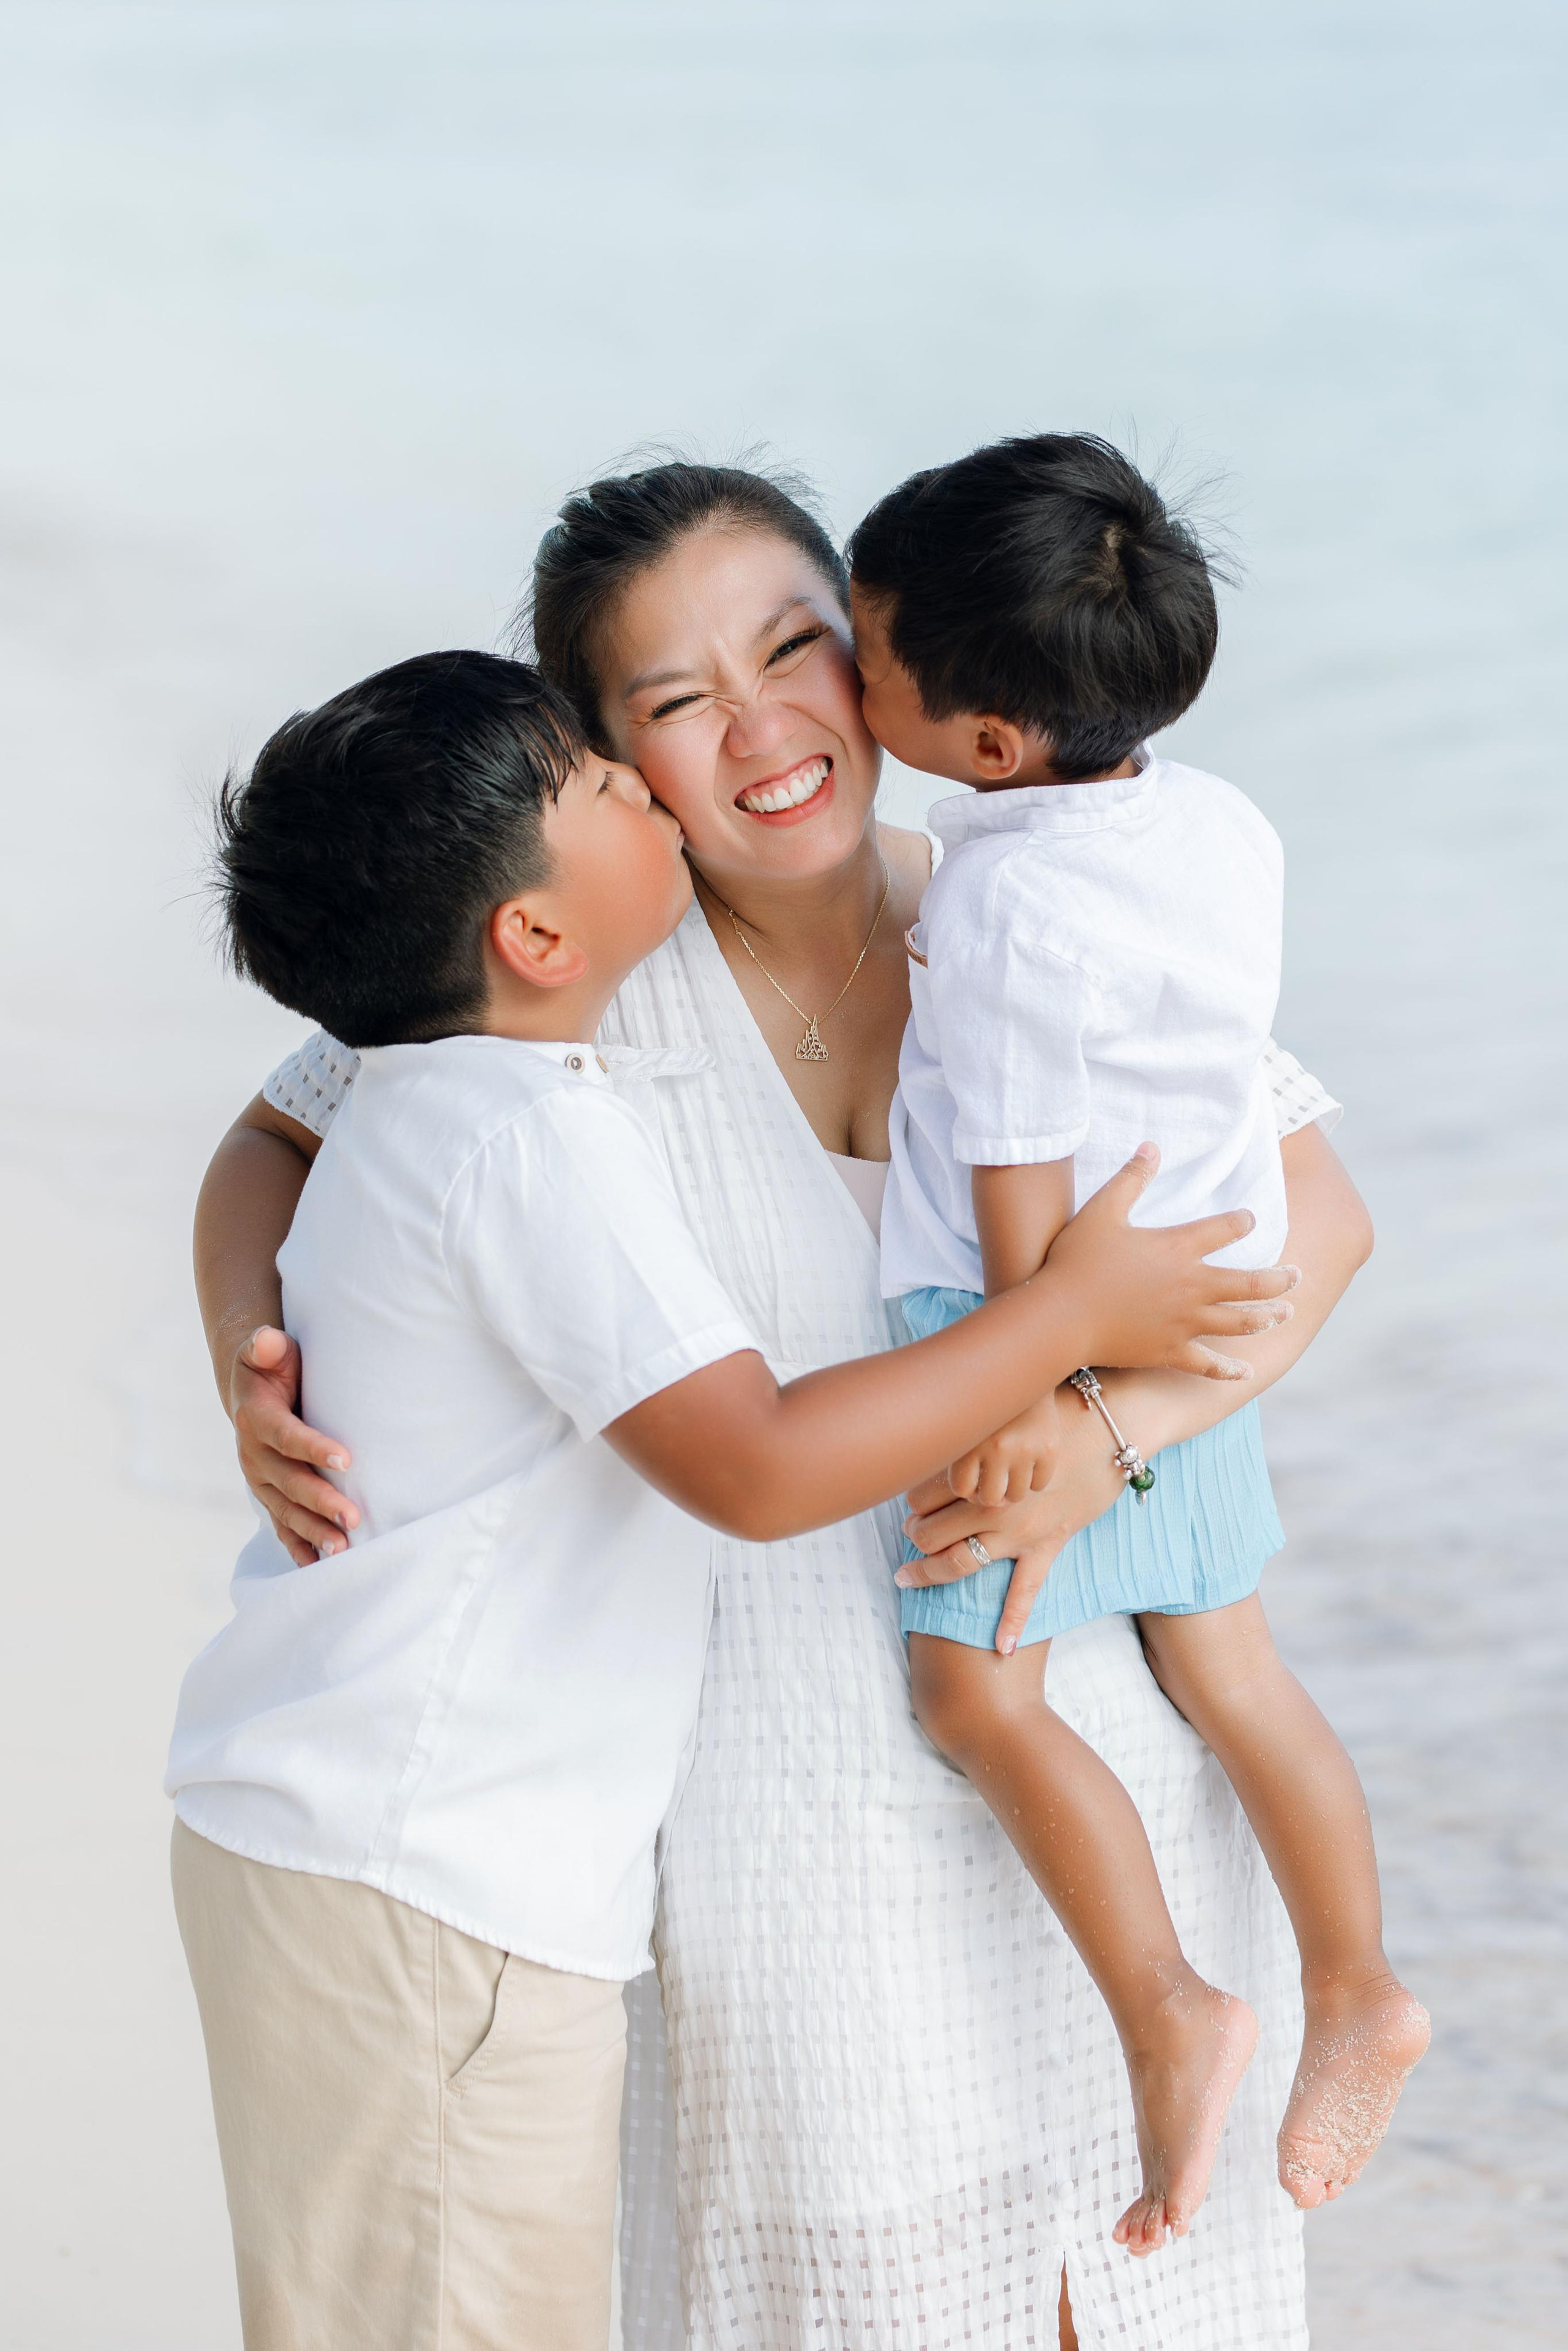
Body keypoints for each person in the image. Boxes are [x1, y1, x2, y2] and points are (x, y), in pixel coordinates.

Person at [193, 461, 1375, 2351]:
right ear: (599, 759)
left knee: (1151, 2294)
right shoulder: (563, 997)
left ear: (885, 658)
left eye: (791, 650)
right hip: (780, 1814)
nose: (755, 729)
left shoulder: (1040, 892)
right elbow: (275, 1141)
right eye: (669, 703)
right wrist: (251, 1355)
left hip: (1102, 1753)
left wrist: (1114, 1430)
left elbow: (1310, 1216)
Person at [847, 432, 1430, 2255]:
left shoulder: (998, 892)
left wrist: (1050, 1384)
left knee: (975, 1695)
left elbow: (1021, 1167)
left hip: (1033, 1311)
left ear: (987, 748)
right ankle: (1356, 1980)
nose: (841, 684)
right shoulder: (1214, 819)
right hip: (1207, 1271)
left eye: (860, 660)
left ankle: (1171, 2004)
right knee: (1234, 1675)